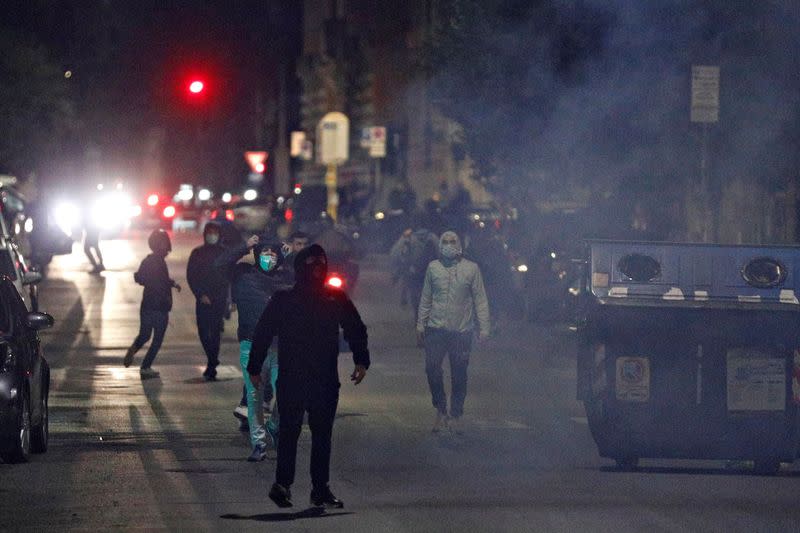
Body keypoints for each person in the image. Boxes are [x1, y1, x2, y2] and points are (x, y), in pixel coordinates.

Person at [248, 244, 370, 509]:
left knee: (322, 435)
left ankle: (320, 489)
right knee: (289, 432)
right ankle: (282, 485)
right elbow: (263, 332)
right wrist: (254, 367)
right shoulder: (284, 300)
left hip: (324, 379)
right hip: (293, 377)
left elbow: (355, 328)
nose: (316, 270)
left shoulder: (335, 298)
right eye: (311, 265)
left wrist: (362, 359)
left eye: (320, 265)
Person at [215, 234, 291, 461]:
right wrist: (243, 246)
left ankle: (275, 426)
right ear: (257, 255)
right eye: (265, 253)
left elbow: (309, 280)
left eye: (274, 254)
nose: (269, 257)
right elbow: (218, 265)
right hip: (251, 345)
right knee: (254, 396)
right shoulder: (243, 275)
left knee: (287, 393)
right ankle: (259, 444)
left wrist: (292, 256)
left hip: (281, 348)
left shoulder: (286, 279)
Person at [416, 230, 490, 433]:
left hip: (462, 331)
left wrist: (484, 328)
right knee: (432, 368)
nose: (449, 244)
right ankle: (440, 408)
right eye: (445, 241)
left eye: (452, 241)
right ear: (440, 245)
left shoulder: (471, 269)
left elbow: (480, 300)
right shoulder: (434, 268)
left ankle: (456, 414)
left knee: (459, 374)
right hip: (436, 329)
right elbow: (426, 297)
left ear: (459, 245)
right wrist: (420, 324)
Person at [124, 229, 181, 379]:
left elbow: (140, 278)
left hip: (147, 304)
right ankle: (146, 366)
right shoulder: (159, 262)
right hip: (160, 306)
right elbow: (160, 281)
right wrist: (169, 285)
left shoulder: (148, 260)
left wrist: (171, 283)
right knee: (157, 339)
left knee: (144, 334)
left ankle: (134, 348)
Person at [186, 222, 229, 381]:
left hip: (219, 298)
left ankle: (211, 366)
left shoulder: (225, 253)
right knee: (203, 331)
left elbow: (229, 277)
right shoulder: (197, 253)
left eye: (215, 232)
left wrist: (228, 299)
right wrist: (200, 294)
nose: (212, 235)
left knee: (215, 331)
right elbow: (191, 276)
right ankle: (212, 358)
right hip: (203, 299)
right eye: (209, 232)